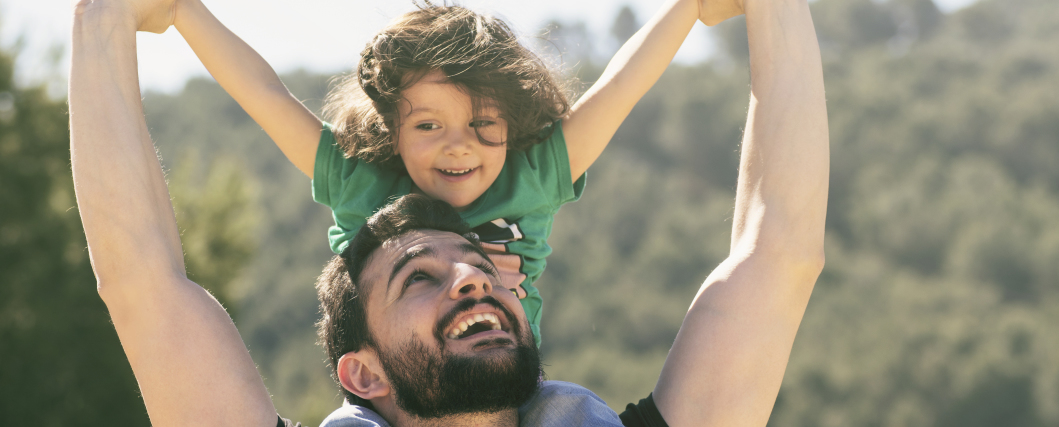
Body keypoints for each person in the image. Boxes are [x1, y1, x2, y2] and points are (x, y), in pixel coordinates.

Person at [67, 0, 829, 424]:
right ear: (359, 369)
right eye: (417, 277)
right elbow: (142, 285)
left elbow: (780, 255)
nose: (474, 275)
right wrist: (105, 21)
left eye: (481, 265)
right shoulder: (363, 180)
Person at [153, 0, 718, 348]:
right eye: (428, 126)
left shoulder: (534, 176)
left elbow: (620, 86)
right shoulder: (362, 182)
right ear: (390, 127)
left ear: (513, 121)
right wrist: (183, 10)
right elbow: (264, 93)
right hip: (387, 401)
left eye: (482, 124)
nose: (458, 146)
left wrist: (690, 5)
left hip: (507, 398)